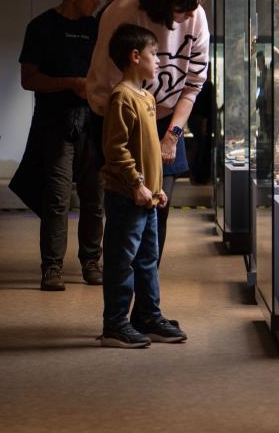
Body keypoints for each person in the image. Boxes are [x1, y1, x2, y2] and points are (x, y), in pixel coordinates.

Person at [87, 0, 209, 266]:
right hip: (119, 116)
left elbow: (193, 84)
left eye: (195, 6)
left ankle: (148, 284)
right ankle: (120, 281)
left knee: (158, 208)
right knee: (125, 207)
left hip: (167, 116)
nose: (192, 15)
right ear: (164, 4)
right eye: (184, 8)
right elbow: (110, 88)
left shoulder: (195, 14)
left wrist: (172, 136)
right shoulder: (123, 11)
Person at [10, 0, 104, 291]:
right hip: (55, 124)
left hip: (92, 123)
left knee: (94, 197)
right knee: (57, 198)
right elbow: (28, 79)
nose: (97, 0)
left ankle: (91, 261)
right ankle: (52, 267)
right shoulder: (41, 27)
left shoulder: (96, 29)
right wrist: (70, 83)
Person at [99, 23, 186, 348]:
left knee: (147, 259)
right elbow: (116, 150)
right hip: (127, 196)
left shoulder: (147, 97)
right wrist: (136, 184)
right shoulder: (122, 97)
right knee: (122, 261)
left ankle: (148, 315)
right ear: (135, 57)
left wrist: (156, 187)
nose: (159, 60)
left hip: (147, 198)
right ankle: (115, 324)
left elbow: (149, 151)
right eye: (154, 54)